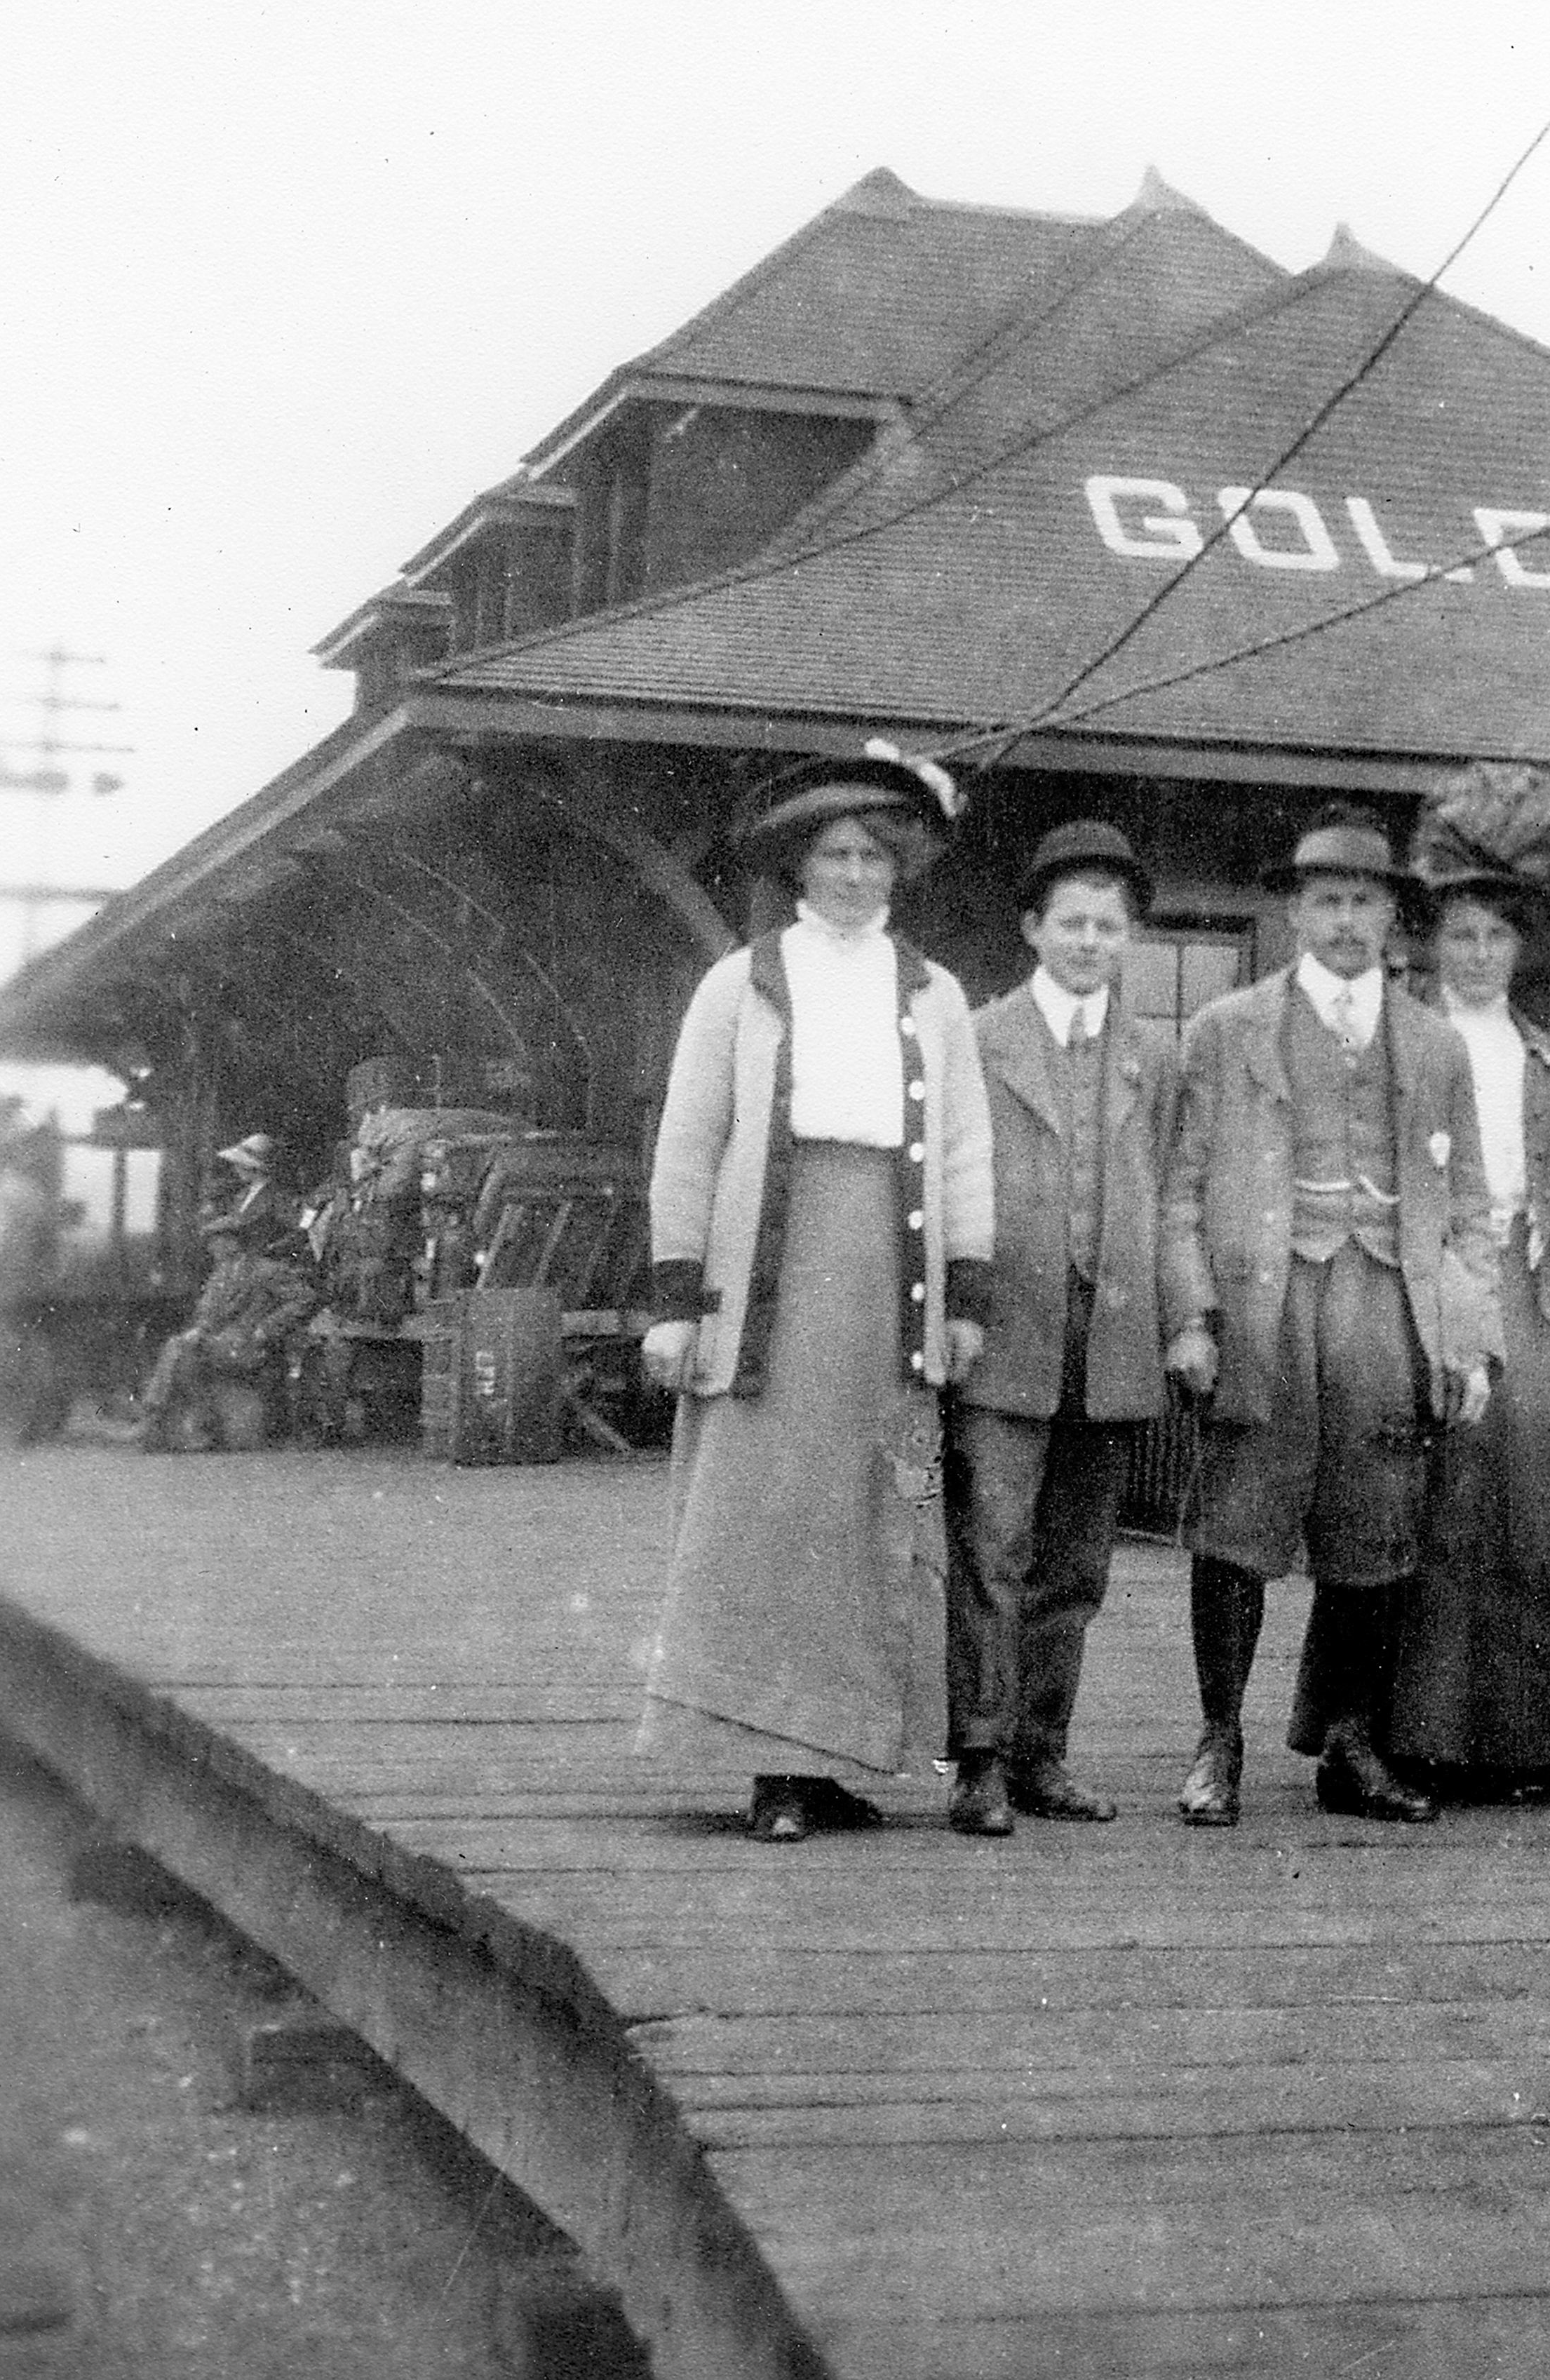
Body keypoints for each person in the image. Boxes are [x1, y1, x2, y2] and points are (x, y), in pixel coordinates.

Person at [635, 744, 994, 1838]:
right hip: (769, 1285)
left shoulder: (935, 993)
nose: (853, 873)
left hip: (890, 1281)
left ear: (900, 869)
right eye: (834, 853)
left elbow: (969, 1151)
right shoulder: (735, 983)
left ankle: (838, 1755)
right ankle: (770, 1770)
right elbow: (690, 1141)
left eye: (874, 855)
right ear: (800, 867)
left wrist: (966, 1297)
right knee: (768, 1517)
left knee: (869, 1511)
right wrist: (675, 1300)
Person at [1159, 804, 1498, 1827]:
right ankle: (1219, 1738)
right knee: (1238, 1527)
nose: (1347, 919)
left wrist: (1467, 1337)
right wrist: (1192, 1315)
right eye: (1328, 899)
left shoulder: (1435, 1045)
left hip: (1388, 1300)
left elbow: (1473, 1206)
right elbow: (1178, 1193)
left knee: (1377, 1529)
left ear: (1395, 916)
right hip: (1267, 1298)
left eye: (1366, 900)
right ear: (1297, 910)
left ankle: (1350, 1740)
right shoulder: (1226, 1030)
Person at [945, 819, 1178, 1838]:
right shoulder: (979, 1039)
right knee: (993, 1550)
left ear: (1129, 938)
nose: (1089, 939)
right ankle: (980, 1759)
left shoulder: (1154, 1054)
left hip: (1111, 1338)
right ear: (1034, 927)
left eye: (1109, 924)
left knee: (1076, 1566)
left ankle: (1045, 1752)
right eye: (1071, 920)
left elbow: (1172, 1192)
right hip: (1005, 1332)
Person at [1389, 767, 1550, 1800]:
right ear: (1433, 941)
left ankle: (1528, 1739)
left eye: (1496, 936)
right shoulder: (1402, 1041)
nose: (1478, 953)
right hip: (1429, 1283)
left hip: (1525, 1292)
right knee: (1441, 1510)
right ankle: (1422, 1735)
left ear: (1521, 948)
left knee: (1534, 1512)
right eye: (1461, 933)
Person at [138, 1152, 320, 1453]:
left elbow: (305, 1299)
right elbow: (209, 1315)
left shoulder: (264, 1270)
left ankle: (159, 1420)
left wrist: (266, 1329)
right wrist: (201, 1330)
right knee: (182, 1353)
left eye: (219, 1242)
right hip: (222, 1344)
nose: (214, 1249)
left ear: (234, 1242)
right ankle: (195, 1427)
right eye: (212, 1243)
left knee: (180, 1350)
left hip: (248, 1345)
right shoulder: (219, 1276)